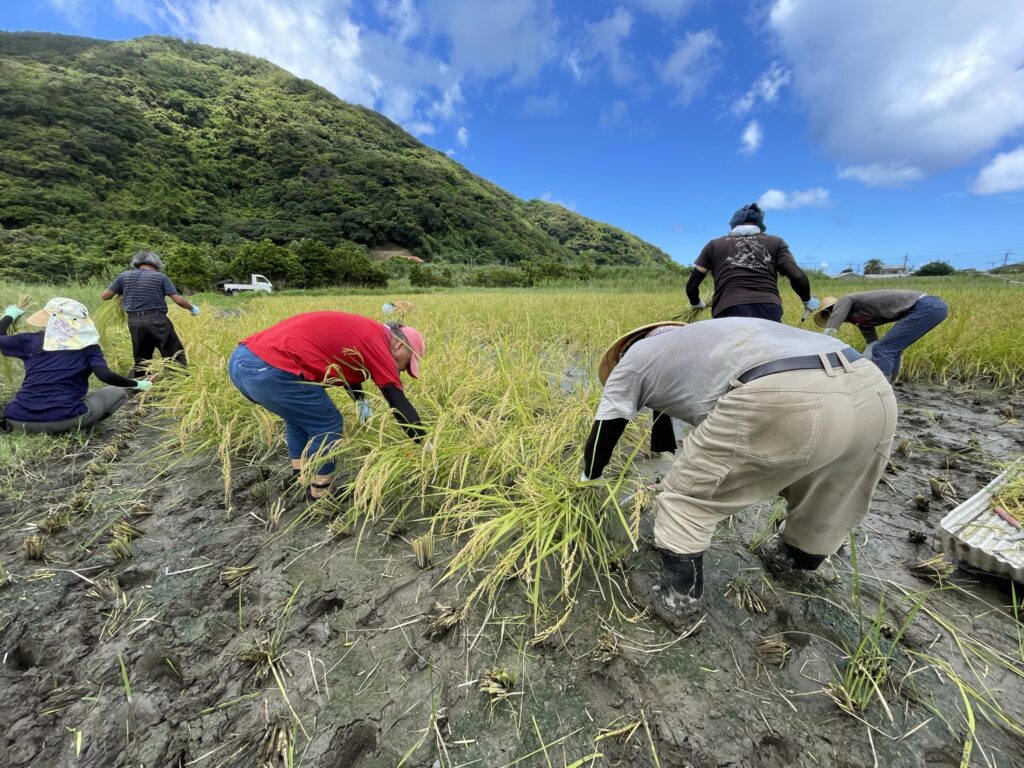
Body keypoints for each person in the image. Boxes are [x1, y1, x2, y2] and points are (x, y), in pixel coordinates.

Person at [581, 318, 896, 629]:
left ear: (628, 349)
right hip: (872, 387)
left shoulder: (632, 361)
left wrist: (589, 480)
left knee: (686, 497)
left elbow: (605, 431)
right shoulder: (710, 339)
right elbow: (677, 419)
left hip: (786, 395)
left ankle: (679, 599)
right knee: (832, 485)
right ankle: (796, 559)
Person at [227, 312, 426, 501]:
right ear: (399, 345)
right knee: (328, 424)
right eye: (406, 363)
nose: (401, 369)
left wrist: (360, 402)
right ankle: (321, 495)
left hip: (243, 360)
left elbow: (348, 365)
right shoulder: (379, 343)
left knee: (299, 419)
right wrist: (426, 445)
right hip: (269, 367)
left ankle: (300, 477)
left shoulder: (367, 332)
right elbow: (397, 401)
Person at [1, 298, 151, 434]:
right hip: (66, 419)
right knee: (118, 391)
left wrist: (9, 316)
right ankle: (78, 427)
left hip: (18, 419)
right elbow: (104, 375)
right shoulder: (89, 347)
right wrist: (137, 384)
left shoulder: (30, 340)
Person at [685, 203, 820, 322]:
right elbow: (796, 276)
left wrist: (697, 303)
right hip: (769, 308)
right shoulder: (775, 242)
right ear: (760, 225)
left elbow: (692, 286)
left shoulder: (714, 245)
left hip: (729, 307)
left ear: (733, 224)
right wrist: (807, 300)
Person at [101, 250, 199, 377]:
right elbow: (178, 300)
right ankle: (178, 382)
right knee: (174, 354)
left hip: (135, 322)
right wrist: (192, 308)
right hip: (157, 320)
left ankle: (140, 388)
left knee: (142, 359)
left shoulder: (124, 276)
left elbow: (105, 296)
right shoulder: (160, 277)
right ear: (156, 264)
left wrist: (123, 291)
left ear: (136, 264)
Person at [813, 291, 949, 382]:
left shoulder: (845, 300)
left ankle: (882, 387)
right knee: (890, 349)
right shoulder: (861, 318)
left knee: (884, 349)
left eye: (832, 314)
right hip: (932, 308)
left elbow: (833, 325)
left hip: (926, 306)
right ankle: (889, 385)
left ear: (834, 310)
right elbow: (872, 345)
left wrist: (823, 344)